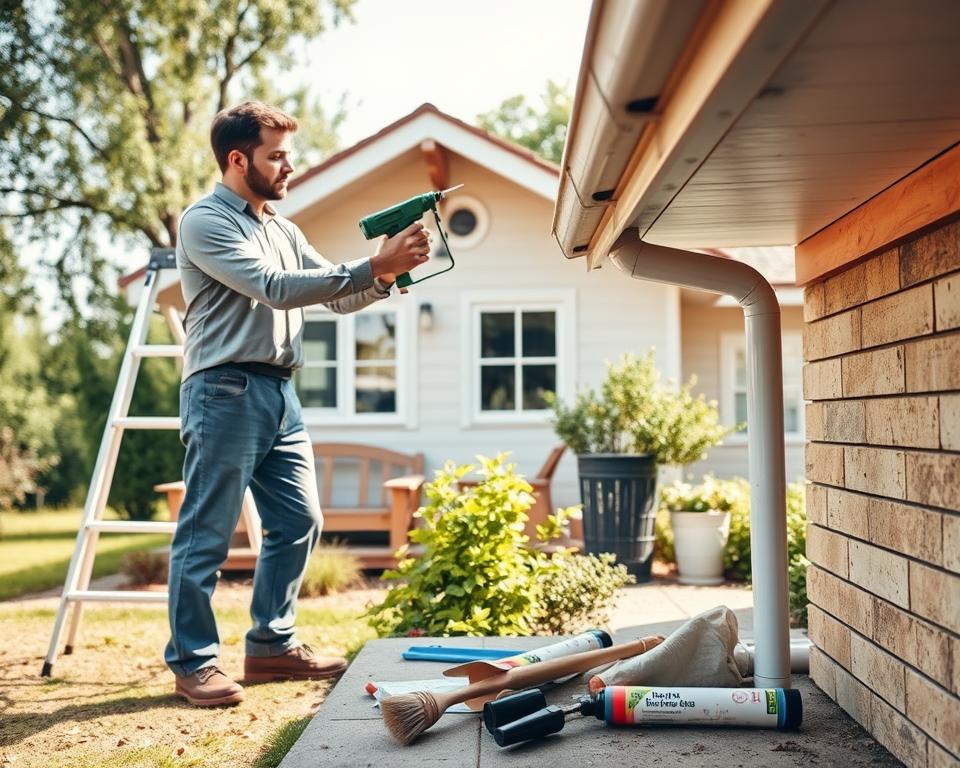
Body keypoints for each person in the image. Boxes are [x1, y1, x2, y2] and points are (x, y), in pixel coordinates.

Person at [166, 101, 429, 706]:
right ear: (238, 159)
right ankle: (193, 662)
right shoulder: (205, 222)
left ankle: (269, 647)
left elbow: (336, 298)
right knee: (207, 533)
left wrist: (385, 276)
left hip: (280, 392)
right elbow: (276, 289)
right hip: (223, 390)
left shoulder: (284, 229)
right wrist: (371, 263)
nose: (289, 166)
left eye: (288, 153)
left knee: (299, 521)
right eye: (276, 155)